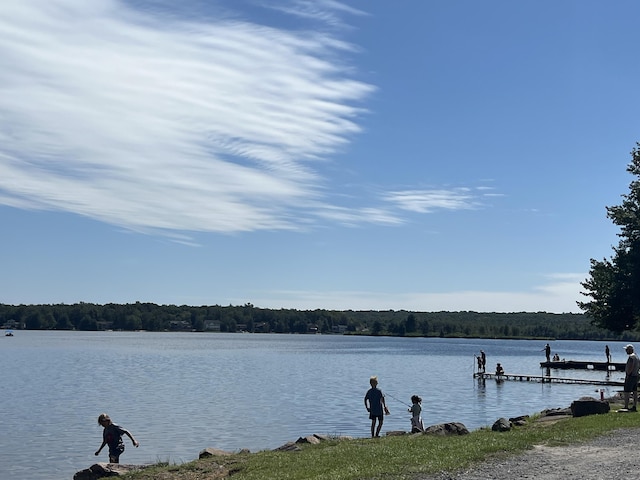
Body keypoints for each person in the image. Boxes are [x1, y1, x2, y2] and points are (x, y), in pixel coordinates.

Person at [622, 345, 640, 412]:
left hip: (631, 376)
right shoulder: (637, 356)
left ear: (630, 350)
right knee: (635, 391)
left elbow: (631, 366)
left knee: (627, 391)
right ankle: (634, 406)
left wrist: (628, 374)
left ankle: (626, 406)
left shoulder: (631, 357)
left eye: (626, 350)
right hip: (636, 376)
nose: (626, 351)